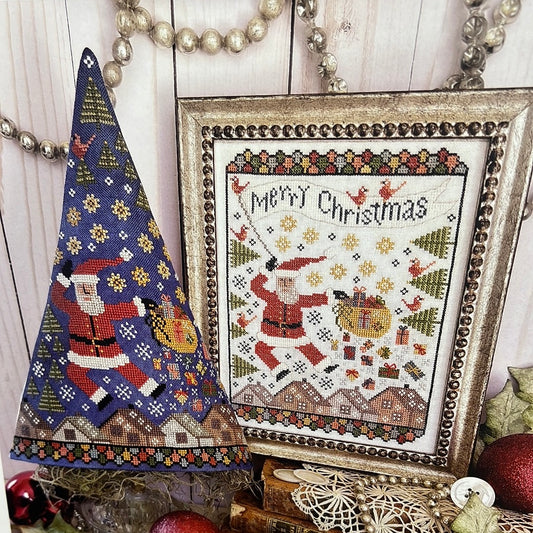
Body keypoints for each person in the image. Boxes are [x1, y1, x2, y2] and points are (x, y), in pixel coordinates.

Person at [52, 253, 164, 410]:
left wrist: (141, 304)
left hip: (108, 350)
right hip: (83, 352)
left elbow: (122, 310)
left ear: (94, 289)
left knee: (127, 368)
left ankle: (153, 389)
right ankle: (101, 398)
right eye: (82, 289)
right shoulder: (74, 309)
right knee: (74, 372)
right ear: (77, 290)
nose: (86, 293)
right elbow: (57, 298)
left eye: (89, 288)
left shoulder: (103, 309)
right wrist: (63, 278)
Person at [251, 256, 337, 381]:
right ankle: (279, 370)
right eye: (281, 280)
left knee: (307, 347)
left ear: (294, 282)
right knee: (260, 348)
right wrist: (266, 272)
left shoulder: (297, 299)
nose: (285, 284)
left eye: (289, 280)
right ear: (277, 281)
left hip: (294, 334)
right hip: (271, 333)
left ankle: (324, 365)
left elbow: (312, 300)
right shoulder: (271, 297)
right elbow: (255, 287)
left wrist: (330, 296)